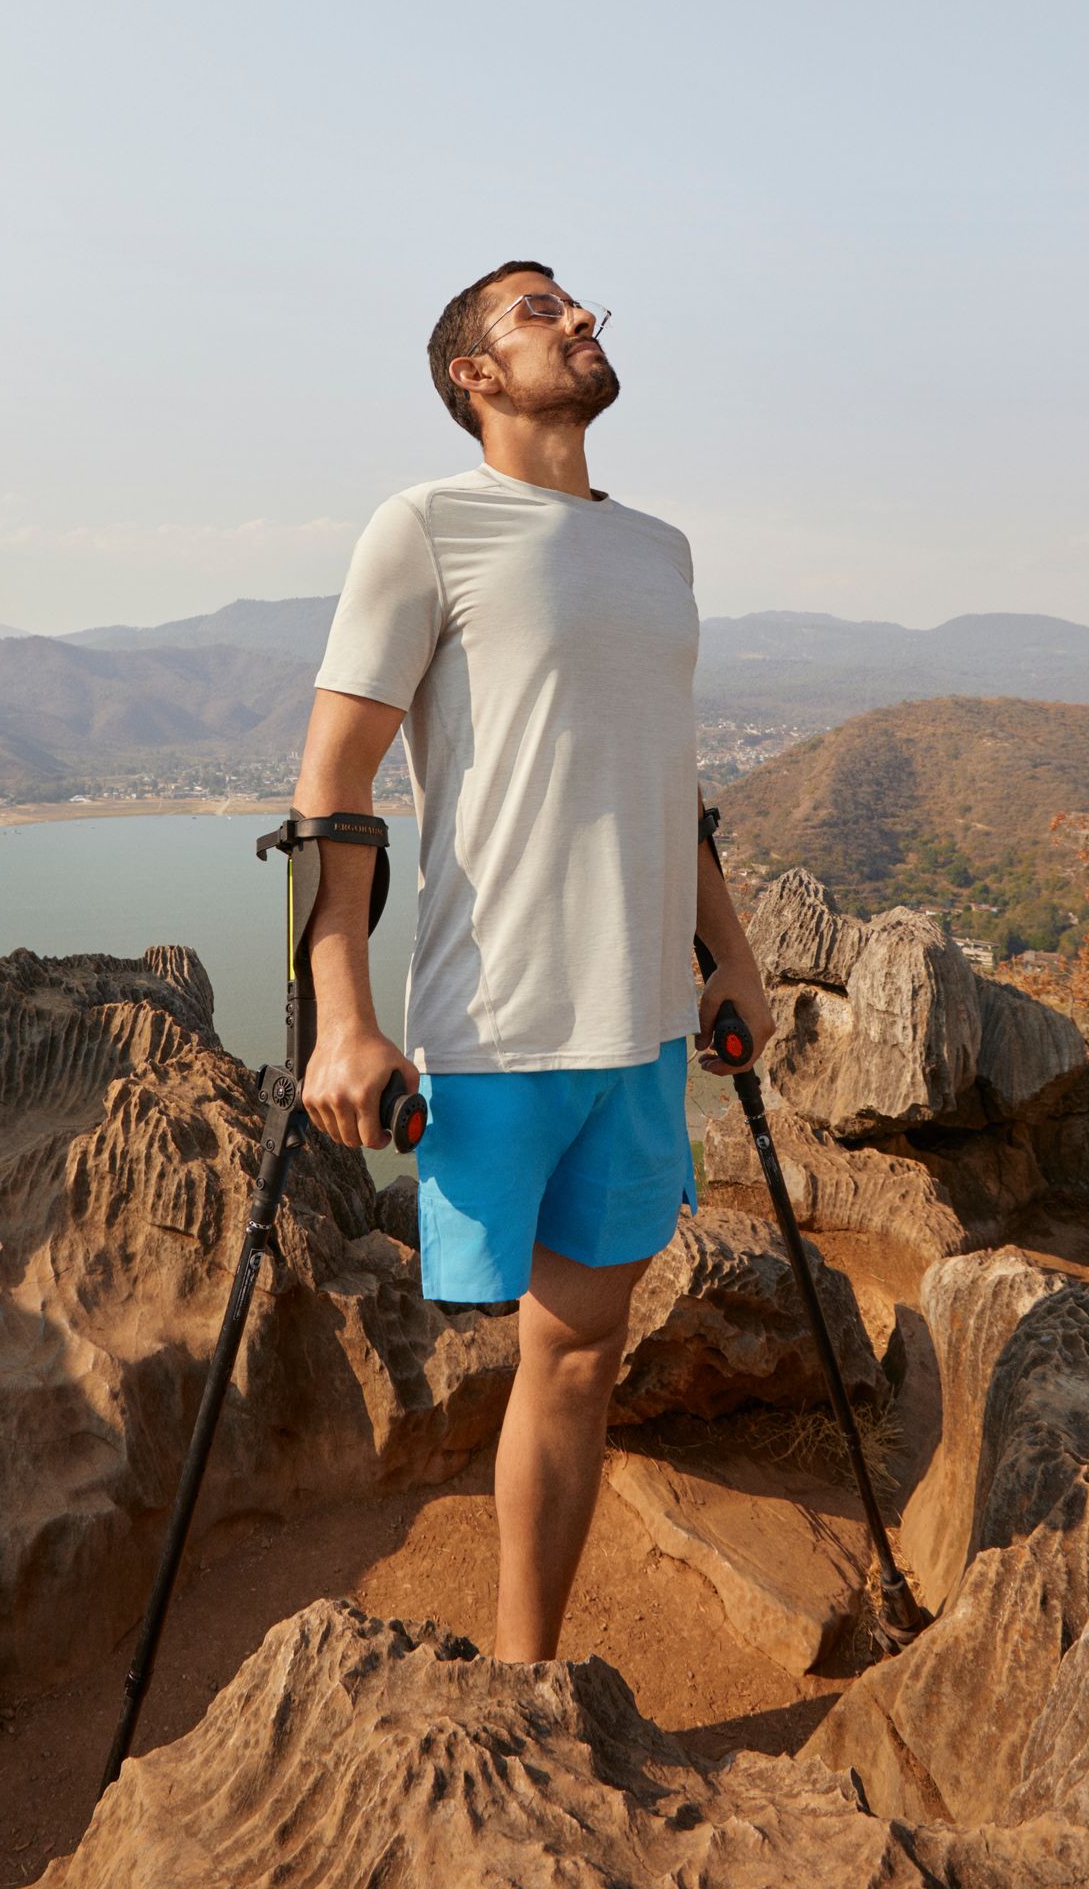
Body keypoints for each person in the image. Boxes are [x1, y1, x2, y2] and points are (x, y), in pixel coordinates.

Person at [291, 257, 773, 1662]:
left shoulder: (661, 550)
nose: (577, 318)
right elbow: (334, 781)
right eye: (534, 310)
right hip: (497, 1018)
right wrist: (342, 1020)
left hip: (639, 1021)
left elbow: (662, 782)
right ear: (475, 377)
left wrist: (729, 957)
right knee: (513, 1345)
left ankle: (527, 1673)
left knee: (578, 1360)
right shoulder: (427, 526)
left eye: (577, 304)